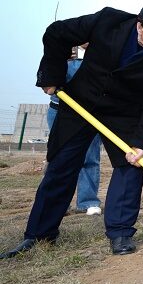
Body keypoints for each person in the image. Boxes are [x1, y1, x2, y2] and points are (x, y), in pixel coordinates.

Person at [0, 0, 143, 259]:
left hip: (124, 113)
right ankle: (39, 234)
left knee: (130, 164)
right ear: (140, 26)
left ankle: (121, 233)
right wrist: (52, 75)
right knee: (61, 165)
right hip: (80, 102)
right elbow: (57, 33)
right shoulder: (108, 21)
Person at [47, 44, 102, 215]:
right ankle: (54, 203)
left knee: (90, 158)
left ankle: (87, 201)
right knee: (58, 158)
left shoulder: (100, 59)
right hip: (60, 112)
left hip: (89, 115)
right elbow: (48, 84)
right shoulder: (61, 58)